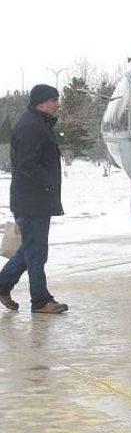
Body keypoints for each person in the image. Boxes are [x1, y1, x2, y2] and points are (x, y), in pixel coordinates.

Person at [0, 85, 68, 314]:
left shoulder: (37, 123)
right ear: (41, 102)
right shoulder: (30, 126)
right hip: (32, 201)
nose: (57, 104)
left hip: (34, 199)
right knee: (36, 253)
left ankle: (2, 285)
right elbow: (27, 163)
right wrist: (47, 183)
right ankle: (40, 300)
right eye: (53, 100)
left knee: (30, 250)